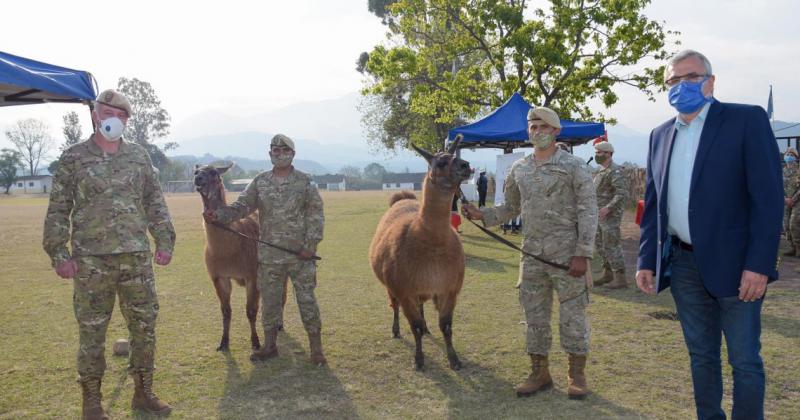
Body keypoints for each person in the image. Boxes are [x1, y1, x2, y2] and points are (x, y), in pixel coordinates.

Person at [636, 50, 782, 420]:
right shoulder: (659, 136)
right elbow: (654, 205)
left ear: (710, 82)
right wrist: (646, 260)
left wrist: (759, 265)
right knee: (701, 355)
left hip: (738, 268)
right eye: (673, 81)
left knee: (744, 359)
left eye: (690, 77)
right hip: (684, 265)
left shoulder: (745, 121)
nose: (681, 86)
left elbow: (768, 200)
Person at [43, 89, 176, 419]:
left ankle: (143, 393)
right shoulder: (73, 158)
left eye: (121, 115)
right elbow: (58, 209)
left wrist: (164, 241)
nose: (113, 119)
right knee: (92, 332)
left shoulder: (139, 157)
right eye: (106, 112)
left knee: (144, 327)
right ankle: (91, 402)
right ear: (95, 115)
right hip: (91, 261)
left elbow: (154, 201)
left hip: (136, 258)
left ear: (127, 120)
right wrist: (59, 253)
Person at [463, 106, 597, 400]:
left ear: (556, 131)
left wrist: (583, 254)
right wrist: (481, 214)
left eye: (543, 127)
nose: (537, 132)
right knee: (535, 317)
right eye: (532, 127)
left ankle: (577, 375)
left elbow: (589, 211)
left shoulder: (575, 167)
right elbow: (510, 208)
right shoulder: (519, 168)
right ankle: (540, 372)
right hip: (532, 256)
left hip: (567, 258)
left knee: (572, 317)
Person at [204, 134, 327, 366]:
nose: (279, 154)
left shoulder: (305, 182)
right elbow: (241, 207)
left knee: (307, 301)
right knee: (269, 303)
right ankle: (270, 346)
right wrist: (218, 215)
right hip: (269, 257)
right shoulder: (260, 182)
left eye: (284, 150)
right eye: (275, 150)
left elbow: (316, 216)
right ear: (270, 154)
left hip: (300, 256)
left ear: (292, 154)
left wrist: (310, 247)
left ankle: (316, 349)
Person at [592, 141, 629, 288]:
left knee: (611, 246)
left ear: (608, 154)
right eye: (596, 152)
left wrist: (608, 208)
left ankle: (620, 279)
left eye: (599, 152)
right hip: (598, 215)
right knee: (600, 245)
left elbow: (621, 193)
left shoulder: (616, 171)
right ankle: (608, 274)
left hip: (610, 216)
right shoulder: (601, 171)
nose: (597, 155)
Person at [782, 148, 800, 256]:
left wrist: (793, 199)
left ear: (796, 157)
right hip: (786, 201)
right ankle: (792, 247)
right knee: (786, 225)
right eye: (787, 154)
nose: (789, 156)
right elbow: (777, 186)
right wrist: (785, 198)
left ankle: (799, 248)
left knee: (794, 223)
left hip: (797, 201)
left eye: (791, 154)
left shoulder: (798, 170)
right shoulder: (782, 171)